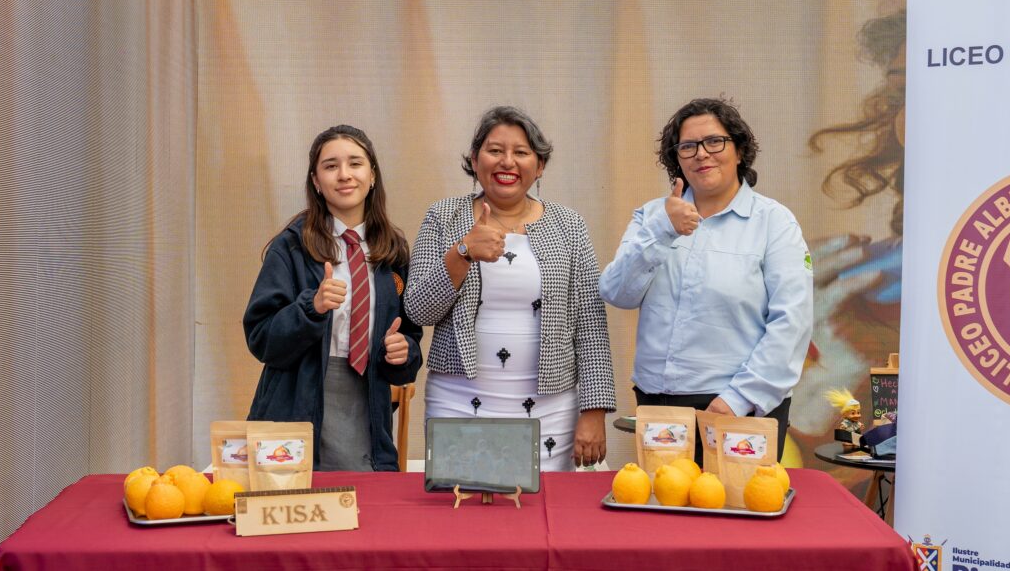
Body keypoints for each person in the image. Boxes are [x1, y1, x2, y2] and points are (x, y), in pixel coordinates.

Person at [599, 97, 813, 463]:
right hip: (659, 405)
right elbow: (617, 292)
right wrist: (664, 230)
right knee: (662, 512)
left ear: (740, 150)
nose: (702, 154)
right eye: (688, 146)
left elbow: (791, 324)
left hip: (740, 407)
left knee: (735, 514)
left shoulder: (774, 222)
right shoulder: (653, 216)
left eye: (715, 142)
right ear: (676, 159)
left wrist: (736, 399)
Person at [405, 106, 616, 472]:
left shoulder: (569, 225)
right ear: (474, 159)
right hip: (458, 401)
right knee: (461, 512)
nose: (508, 162)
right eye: (494, 150)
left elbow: (591, 326)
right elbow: (419, 310)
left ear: (540, 165)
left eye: (521, 152)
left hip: (550, 410)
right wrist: (464, 250)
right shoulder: (444, 216)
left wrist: (594, 411)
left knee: (545, 517)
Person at [244, 125, 422, 471]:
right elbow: (261, 338)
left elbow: (409, 338)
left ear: (372, 175)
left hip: (366, 404)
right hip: (296, 401)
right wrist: (311, 308)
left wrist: (404, 353)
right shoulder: (291, 247)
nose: (344, 175)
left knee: (366, 509)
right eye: (330, 166)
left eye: (355, 164)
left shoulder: (393, 251)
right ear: (315, 181)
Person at [787, 10, 905, 472]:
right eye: (899, 92)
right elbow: (862, 458)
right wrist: (837, 366)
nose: (908, 117)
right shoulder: (870, 299)